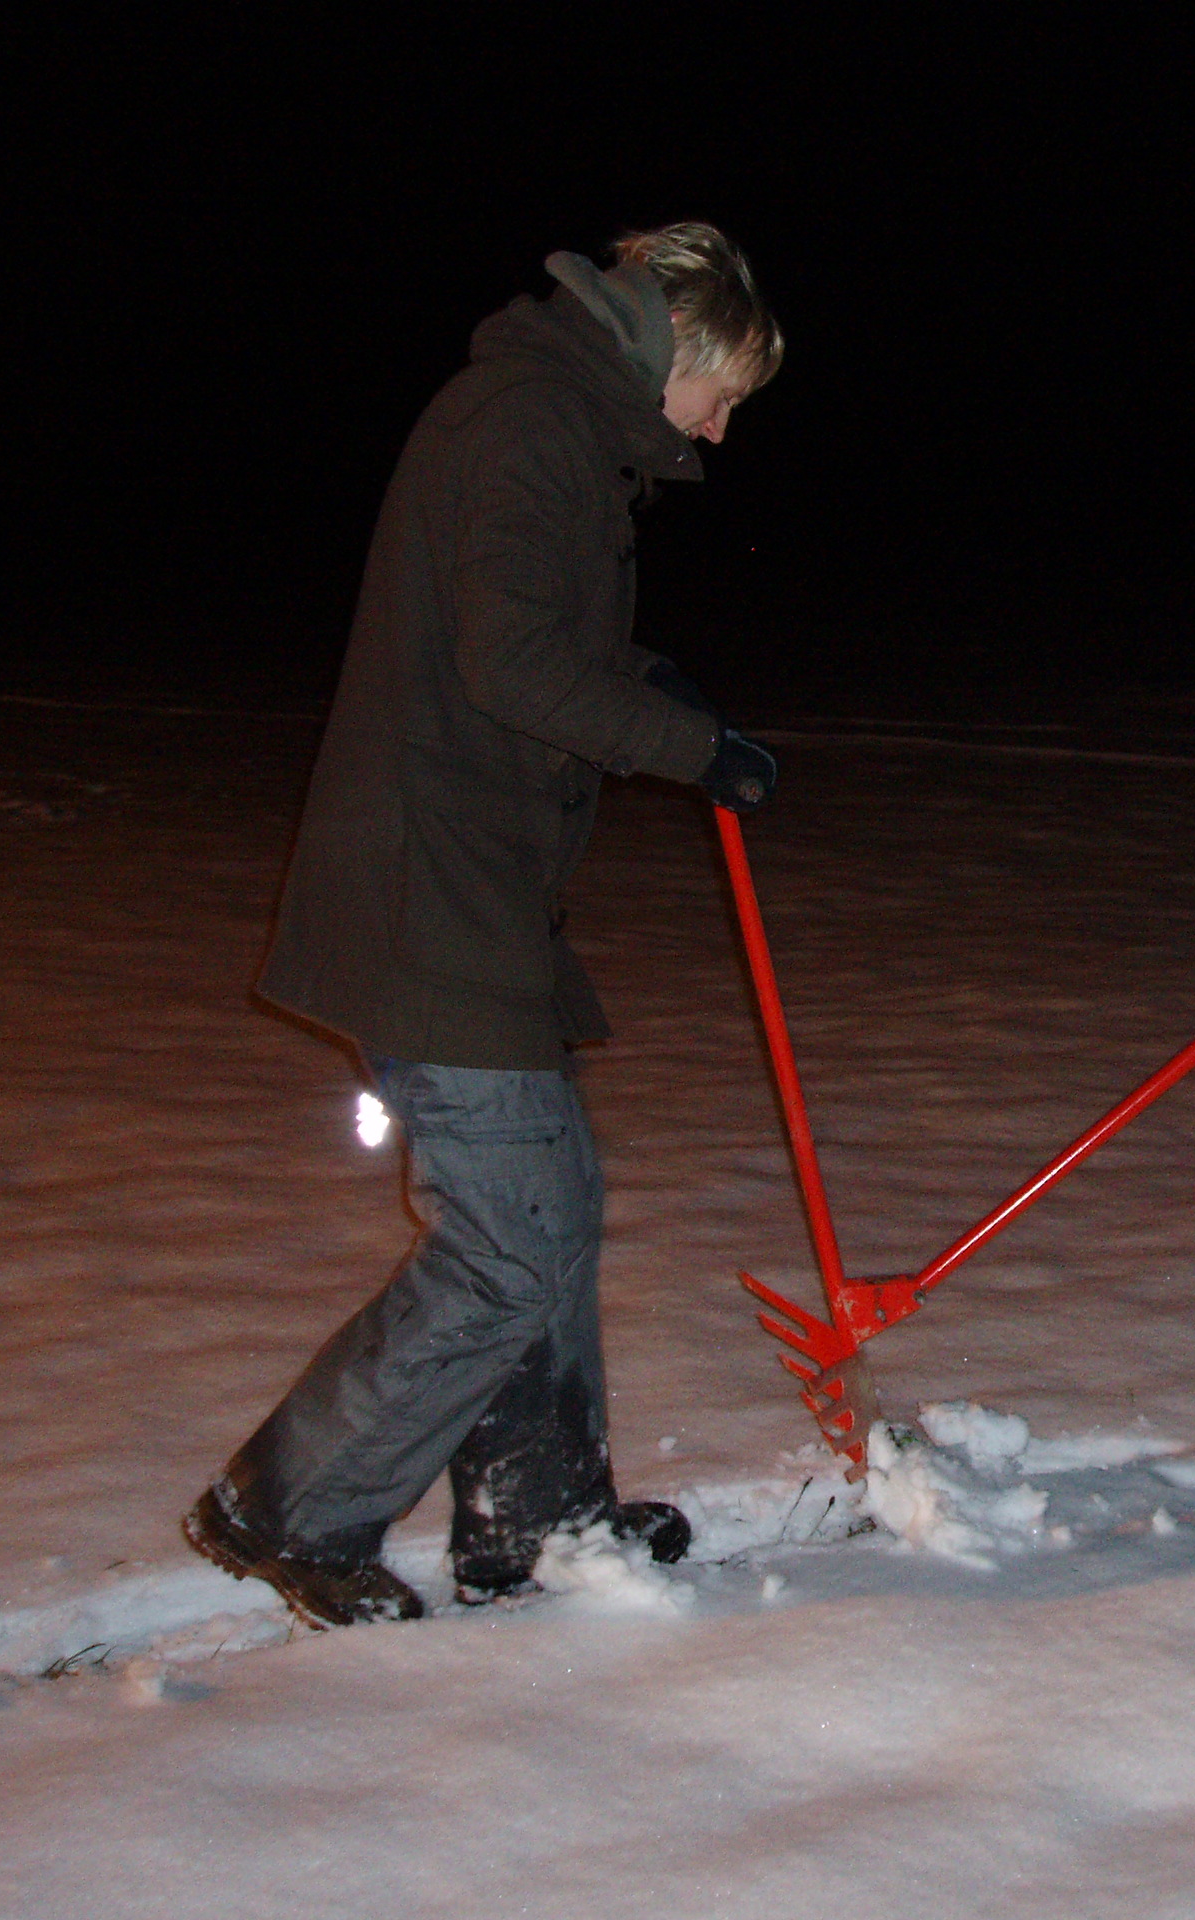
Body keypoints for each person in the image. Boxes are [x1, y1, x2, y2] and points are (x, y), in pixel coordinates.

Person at [182, 222, 787, 1624]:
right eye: (729, 392)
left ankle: (537, 1516)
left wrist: (652, 679)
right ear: (671, 349)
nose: (725, 427)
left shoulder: (557, 426)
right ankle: (291, 1505)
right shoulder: (530, 427)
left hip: (469, 889)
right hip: (427, 892)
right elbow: (508, 663)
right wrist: (687, 750)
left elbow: (533, 636)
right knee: (511, 1236)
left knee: (550, 1209)